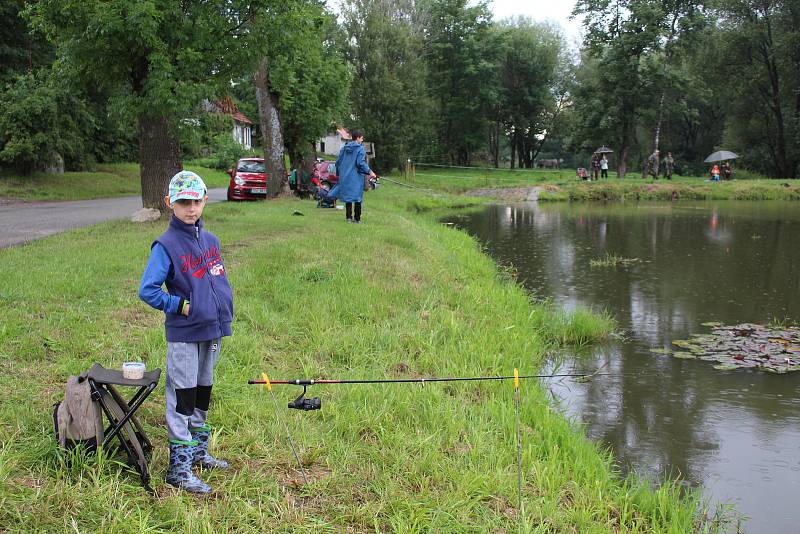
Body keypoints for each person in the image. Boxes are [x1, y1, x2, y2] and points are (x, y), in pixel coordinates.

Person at [138, 171, 233, 494]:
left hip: (212, 330)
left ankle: (198, 451)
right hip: (184, 332)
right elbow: (148, 290)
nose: (190, 209)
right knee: (183, 396)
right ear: (170, 204)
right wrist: (180, 306)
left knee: (202, 391)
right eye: (183, 202)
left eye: (195, 201)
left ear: (205, 200)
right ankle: (178, 468)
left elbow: (217, 283)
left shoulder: (211, 241)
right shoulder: (165, 245)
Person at [329, 129, 376, 223]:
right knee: (358, 198)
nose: (362, 140)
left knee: (348, 198)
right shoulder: (360, 148)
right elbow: (360, 163)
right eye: (362, 138)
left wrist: (340, 175)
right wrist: (370, 172)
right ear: (357, 138)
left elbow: (338, 162)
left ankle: (348, 218)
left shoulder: (344, 148)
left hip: (345, 177)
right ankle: (357, 219)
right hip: (356, 178)